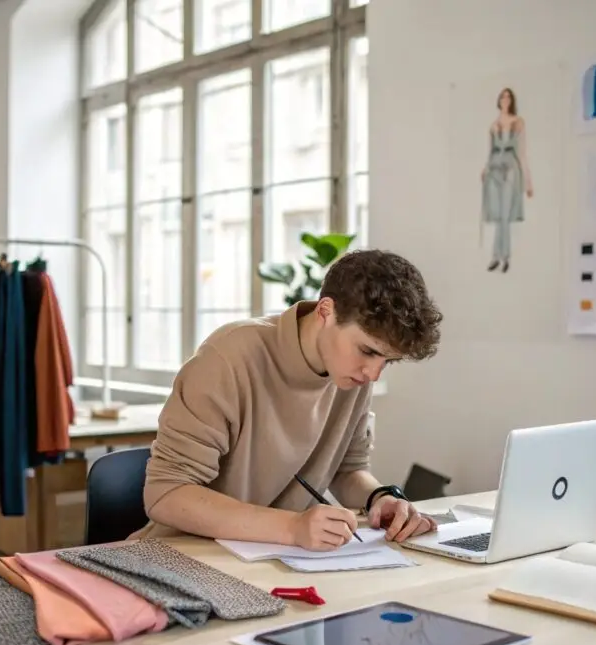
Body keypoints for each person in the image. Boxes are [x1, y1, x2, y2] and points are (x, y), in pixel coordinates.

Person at [129, 249, 444, 551]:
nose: (374, 374)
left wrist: (379, 498)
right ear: (325, 311)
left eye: (387, 361)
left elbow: (347, 470)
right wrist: (292, 528)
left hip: (275, 561)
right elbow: (166, 494)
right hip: (183, 558)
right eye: (368, 351)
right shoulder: (227, 359)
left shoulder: (351, 375)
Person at [481, 87, 533, 274]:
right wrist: (485, 169)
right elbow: (490, 152)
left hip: (510, 168)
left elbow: (522, 152)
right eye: (502, 97)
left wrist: (528, 182)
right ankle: (496, 256)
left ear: (512, 101)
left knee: (505, 215)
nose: (505, 100)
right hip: (494, 168)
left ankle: (505, 257)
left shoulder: (518, 122)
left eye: (508, 97)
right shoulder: (493, 125)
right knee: (496, 216)